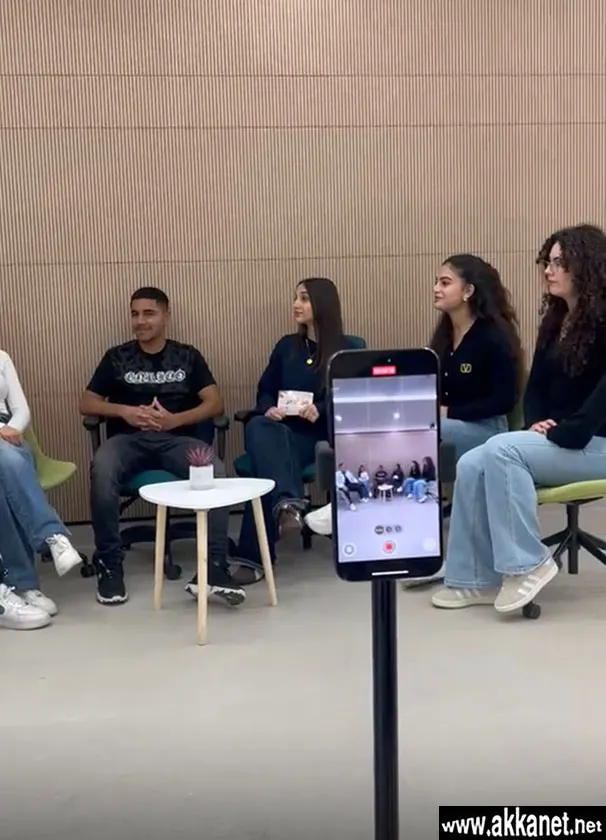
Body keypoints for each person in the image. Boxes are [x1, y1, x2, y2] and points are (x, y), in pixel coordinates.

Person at [432, 224, 606, 616]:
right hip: (560, 439)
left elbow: (600, 404)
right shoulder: (557, 320)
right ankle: (473, 578)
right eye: (548, 262)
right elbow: (535, 388)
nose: (549, 271)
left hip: (595, 442)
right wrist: (537, 422)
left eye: (559, 263)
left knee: (502, 449)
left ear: (587, 266)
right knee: (472, 462)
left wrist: (561, 432)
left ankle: (527, 563)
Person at [305, 254, 523, 543]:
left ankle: (351, 500)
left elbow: (505, 400)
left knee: (411, 433)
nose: (436, 288)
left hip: (486, 429)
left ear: (468, 291)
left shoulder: (493, 337)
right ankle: (360, 501)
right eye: (436, 282)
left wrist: (448, 412)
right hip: (446, 424)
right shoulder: (446, 335)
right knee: (386, 427)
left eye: (445, 283)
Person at [79, 286, 245, 608]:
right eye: (134, 314)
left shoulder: (187, 356)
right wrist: (125, 411)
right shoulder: (117, 357)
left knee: (216, 470)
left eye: (149, 313)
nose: (140, 321)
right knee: (102, 468)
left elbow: (215, 403)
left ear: (166, 316)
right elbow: (87, 403)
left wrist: (174, 420)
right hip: (127, 441)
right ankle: (109, 563)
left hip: (176, 440)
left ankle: (215, 566)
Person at [232, 277, 362, 582]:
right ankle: (287, 503)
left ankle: (255, 559)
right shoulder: (286, 346)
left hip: (316, 435)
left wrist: (321, 408)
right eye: (295, 298)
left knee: (265, 471)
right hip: (278, 429)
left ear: (322, 304)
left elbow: (352, 398)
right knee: (259, 424)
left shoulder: (345, 350)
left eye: (304, 298)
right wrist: (268, 408)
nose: (296, 304)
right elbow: (265, 389)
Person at [0, 350, 82, 622]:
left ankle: (19, 585)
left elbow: (21, 409)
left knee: (8, 463)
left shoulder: (2, 358)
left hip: (7, 435)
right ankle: (51, 537)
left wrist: (12, 428)